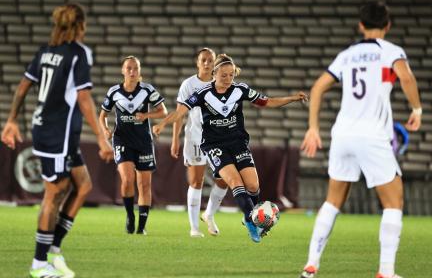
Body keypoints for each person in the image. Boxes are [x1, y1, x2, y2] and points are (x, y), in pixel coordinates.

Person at [299, 1, 422, 278]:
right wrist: (416, 109)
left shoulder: (347, 55)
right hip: (372, 136)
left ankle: (311, 264)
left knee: (332, 201)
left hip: (342, 134)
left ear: (360, 26)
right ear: (388, 25)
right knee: (394, 202)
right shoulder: (391, 52)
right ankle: (386, 273)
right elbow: (405, 77)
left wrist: (313, 128)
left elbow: (317, 87)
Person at [0, 3, 113, 278]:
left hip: (55, 131)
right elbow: (85, 100)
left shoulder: (46, 52)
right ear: (81, 26)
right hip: (56, 133)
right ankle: (39, 263)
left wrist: (12, 119)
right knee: (54, 193)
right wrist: (101, 138)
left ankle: (53, 250)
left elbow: (24, 85)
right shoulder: (79, 54)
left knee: (83, 185)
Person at [153, 54, 307, 243]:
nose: (228, 79)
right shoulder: (202, 94)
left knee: (253, 185)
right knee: (235, 182)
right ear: (214, 74)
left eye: (231, 75)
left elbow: (267, 102)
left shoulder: (240, 90)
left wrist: (292, 98)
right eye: (224, 75)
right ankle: (252, 222)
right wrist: (162, 125)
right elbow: (180, 112)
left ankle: (247, 215)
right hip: (214, 145)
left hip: (238, 143)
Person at [99, 56, 167, 235]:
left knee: (144, 184)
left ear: (139, 71)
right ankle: (130, 215)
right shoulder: (114, 92)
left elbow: (163, 111)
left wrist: (146, 116)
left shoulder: (147, 90)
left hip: (144, 141)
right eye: (128, 68)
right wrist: (106, 130)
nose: (132, 71)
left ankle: (141, 227)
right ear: (123, 71)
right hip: (122, 140)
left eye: (135, 68)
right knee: (128, 179)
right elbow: (102, 116)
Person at [171, 48, 228, 238]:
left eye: (210, 60)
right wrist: (174, 141)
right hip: (195, 137)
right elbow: (179, 114)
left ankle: (209, 214)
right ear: (197, 62)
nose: (206, 63)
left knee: (224, 179)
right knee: (197, 181)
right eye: (203, 60)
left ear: (214, 64)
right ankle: (194, 228)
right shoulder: (188, 85)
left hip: (218, 139)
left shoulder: (220, 83)